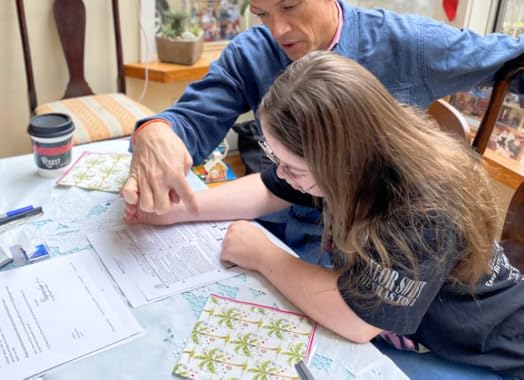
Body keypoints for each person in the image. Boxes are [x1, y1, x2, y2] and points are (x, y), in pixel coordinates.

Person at [121, 0, 524, 259]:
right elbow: (191, 121)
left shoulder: (409, 44)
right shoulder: (252, 52)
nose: (277, 30)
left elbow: (511, 59)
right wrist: (155, 132)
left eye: (290, 6)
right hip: (273, 228)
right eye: (262, 14)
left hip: (368, 253)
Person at [124, 52, 524, 380]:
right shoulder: (356, 157)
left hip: (481, 353)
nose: (281, 173)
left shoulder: (425, 207)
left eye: (292, 167)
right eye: (274, 158)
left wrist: (264, 255)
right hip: (413, 326)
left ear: (341, 162)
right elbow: (269, 189)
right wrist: (183, 209)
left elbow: (358, 321)